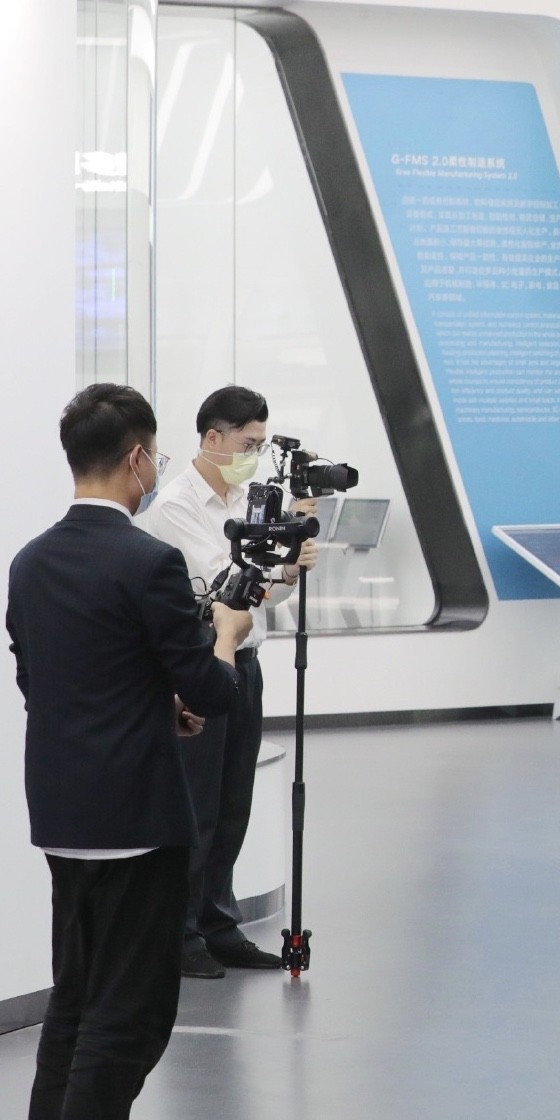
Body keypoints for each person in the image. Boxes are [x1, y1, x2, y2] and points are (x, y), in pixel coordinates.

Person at [8, 383, 251, 1119]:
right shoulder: (149, 561)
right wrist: (228, 637)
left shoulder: (29, 561)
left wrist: (154, 709)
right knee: (130, 1016)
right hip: (136, 820)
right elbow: (211, 689)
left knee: (75, 999)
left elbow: (44, 680)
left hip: (61, 812)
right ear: (138, 458)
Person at [138, 385, 318, 978]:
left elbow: (265, 596)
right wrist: (278, 557)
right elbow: (225, 584)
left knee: (234, 799)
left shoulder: (248, 502)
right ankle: (182, 931)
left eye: (261, 446)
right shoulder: (176, 507)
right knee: (198, 804)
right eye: (248, 444)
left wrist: (289, 567)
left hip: (247, 662)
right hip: (200, 660)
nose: (253, 456)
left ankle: (219, 923)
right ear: (211, 438)